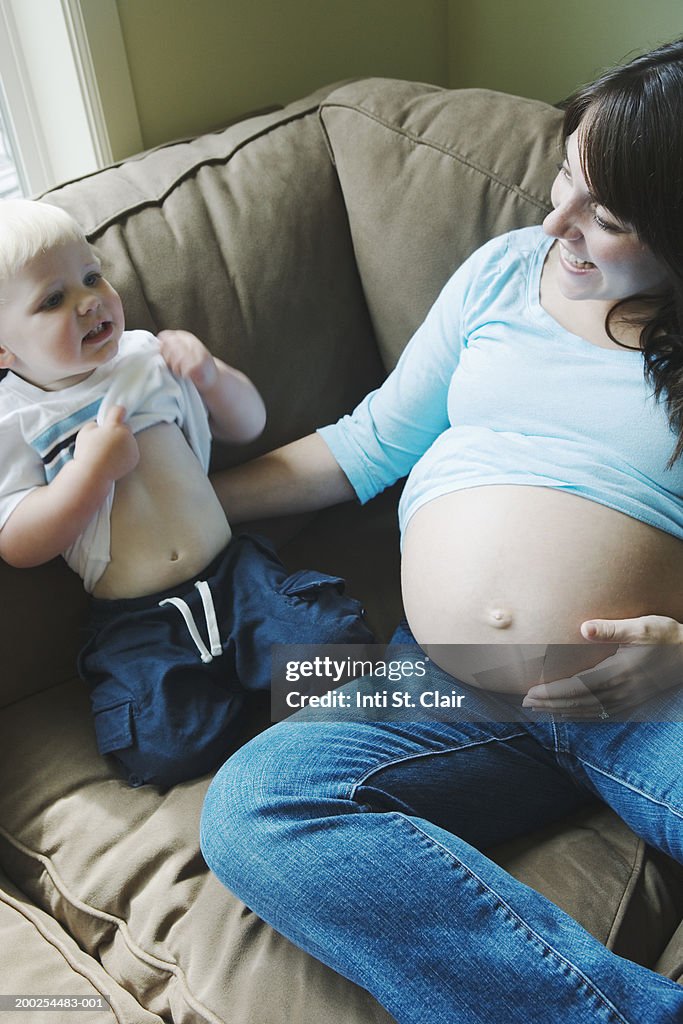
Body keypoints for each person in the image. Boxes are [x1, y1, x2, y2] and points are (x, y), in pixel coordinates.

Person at [199, 38, 683, 1024]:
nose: (556, 222)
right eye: (563, 174)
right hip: (440, 676)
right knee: (253, 809)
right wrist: (183, 512)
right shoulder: (503, 273)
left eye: (608, 216)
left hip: (640, 694)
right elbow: (367, 443)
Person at [0, 199, 373, 789]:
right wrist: (89, 474)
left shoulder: (145, 355)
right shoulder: (14, 421)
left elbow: (247, 425)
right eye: (53, 299)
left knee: (336, 651)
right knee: (161, 750)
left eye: (92, 277)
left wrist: (212, 379)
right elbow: (19, 542)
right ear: (3, 349)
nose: (90, 300)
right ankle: (240, 709)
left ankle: (268, 691)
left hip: (235, 574)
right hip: (136, 613)